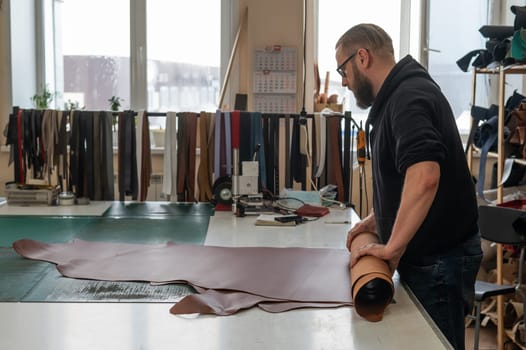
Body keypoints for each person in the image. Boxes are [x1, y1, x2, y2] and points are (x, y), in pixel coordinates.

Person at [335, 23, 482, 350]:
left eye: (342, 69)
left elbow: (425, 176)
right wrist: (378, 218)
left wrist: (390, 248)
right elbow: (407, 179)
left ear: (362, 57)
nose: (343, 81)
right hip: (432, 256)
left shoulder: (407, 97)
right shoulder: (396, 97)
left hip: (439, 259)